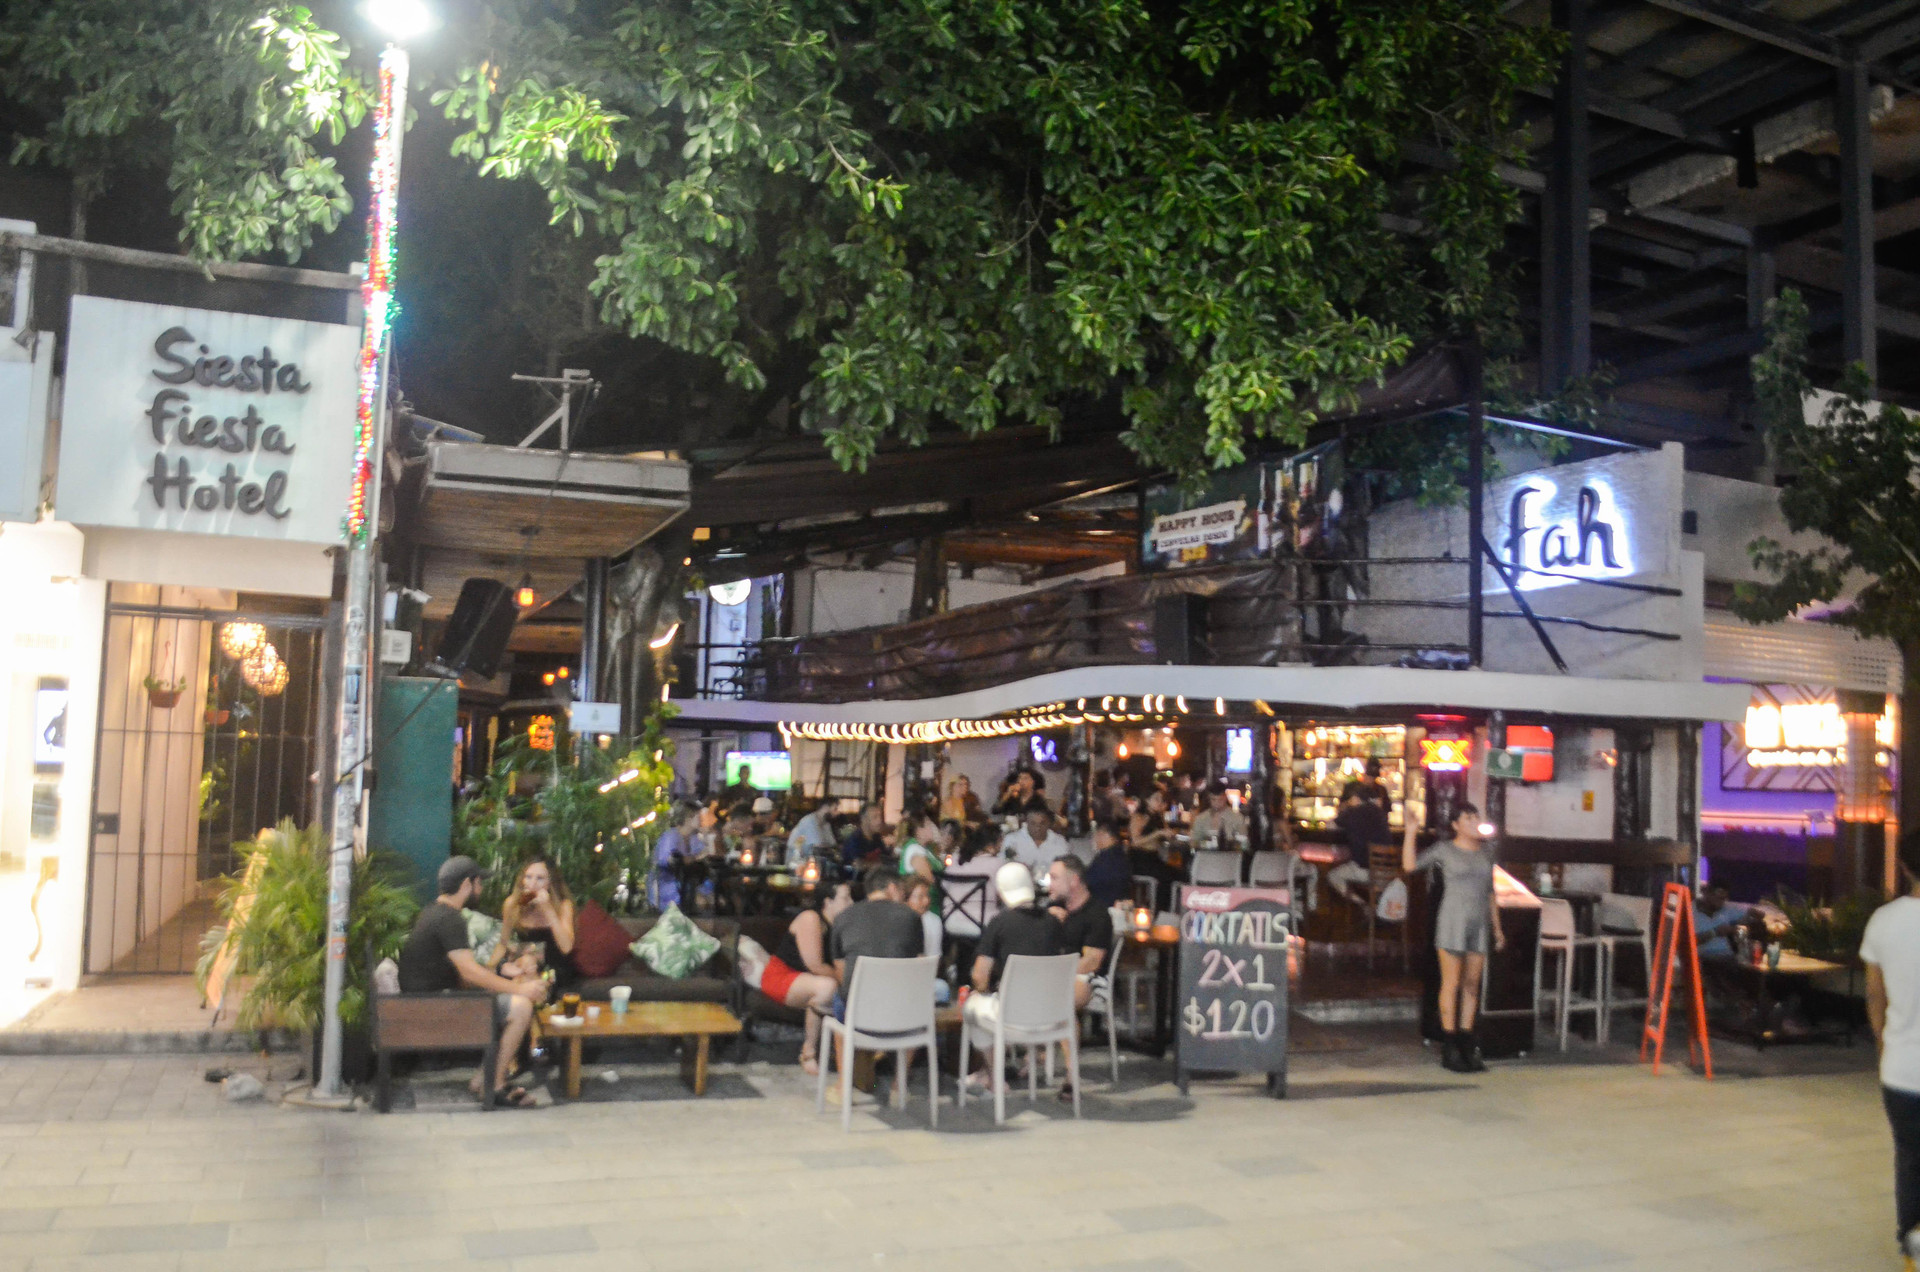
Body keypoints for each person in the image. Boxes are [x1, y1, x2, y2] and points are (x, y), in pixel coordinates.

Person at [397, 856, 548, 1107]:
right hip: (434, 1007)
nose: (481, 888)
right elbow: (470, 973)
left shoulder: (434, 912)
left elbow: (465, 969)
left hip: (426, 1001)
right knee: (521, 1007)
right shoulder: (450, 919)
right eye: (479, 883)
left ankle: (483, 1079)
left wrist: (500, 970)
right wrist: (521, 988)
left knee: (504, 999)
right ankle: (496, 1085)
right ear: (467, 884)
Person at [1402, 804, 1505, 1073]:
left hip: (1478, 923)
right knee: (1451, 983)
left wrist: (1497, 928)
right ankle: (1449, 1046)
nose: (1475, 822)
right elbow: (1410, 866)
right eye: (1468, 818)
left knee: (1472, 985)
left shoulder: (1486, 852)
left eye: (1476, 817)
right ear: (1456, 825)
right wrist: (1411, 832)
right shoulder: (1444, 850)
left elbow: (1490, 892)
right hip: (1452, 921)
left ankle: (1467, 1042)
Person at [1863, 829, 1920, 1267]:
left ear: (1903, 866)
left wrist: (1884, 1042)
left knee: (1910, 1158)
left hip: (1901, 1069)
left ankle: (1911, 1245)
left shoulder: (1884, 920)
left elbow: (1874, 996)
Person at [961, 862, 1064, 1091]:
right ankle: (1011, 1066)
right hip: (1051, 1017)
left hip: (1011, 1017)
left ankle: (994, 1076)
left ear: (1001, 891)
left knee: (973, 1007)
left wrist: (985, 990)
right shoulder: (1053, 923)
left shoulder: (1000, 923)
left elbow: (979, 977)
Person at [750, 881, 853, 1076]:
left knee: (834, 987)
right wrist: (846, 980)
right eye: (846, 898)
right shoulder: (810, 918)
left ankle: (848, 1053)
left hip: (807, 979)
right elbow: (815, 965)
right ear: (828, 902)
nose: (851, 903)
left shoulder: (840, 925)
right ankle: (809, 1052)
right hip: (782, 976)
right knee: (828, 987)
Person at [828, 866, 926, 1006]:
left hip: (857, 1005)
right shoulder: (910, 916)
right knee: (941, 989)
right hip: (900, 1003)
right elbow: (919, 965)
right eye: (902, 891)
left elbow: (841, 970)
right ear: (892, 888)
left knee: (837, 997)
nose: (903, 897)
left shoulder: (843, 917)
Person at [493, 858, 578, 992]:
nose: (532, 884)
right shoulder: (512, 904)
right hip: (523, 967)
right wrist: (493, 967)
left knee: (529, 983)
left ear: (550, 883)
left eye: (540, 878)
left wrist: (548, 910)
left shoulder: (563, 906)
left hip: (552, 970)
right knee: (517, 977)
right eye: (528, 877)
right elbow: (503, 943)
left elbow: (567, 947)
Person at [1046, 855, 1115, 1010]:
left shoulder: (1097, 914)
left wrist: (1052, 970)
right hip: (1055, 973)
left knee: (1055, 1002)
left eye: (1055, 878)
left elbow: (1092, 962)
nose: (1050, 884)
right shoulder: (1054, 908)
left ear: (1074, 881)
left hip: (1086, 977)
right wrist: (1045, 919)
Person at [1330, 779, 1392, 907]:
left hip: (1365, 871)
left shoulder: (1351, 813)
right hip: (1388, 870)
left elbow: (1330, 826)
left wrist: (1342, 809)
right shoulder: (1378, 811)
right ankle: (1377, 906)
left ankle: (1362, 904)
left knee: (1333, 876)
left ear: (1354, 798)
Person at [650, 801, 704, 909]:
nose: (701, 820)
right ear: (688, 818)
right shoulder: (669, 837)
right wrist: (697, 857)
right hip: (668, 890)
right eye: (698, 817)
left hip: (689, 890)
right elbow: (667, 861)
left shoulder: (695, 839)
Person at [1694, 885, 1757, 959]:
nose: (1721, 902)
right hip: (1704, 956)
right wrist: (1714, 932)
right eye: (1718, 898)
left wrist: (1737, 927)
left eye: (1724, 899)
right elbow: (1689, 942)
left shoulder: (1726, 908)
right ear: (1707, 894)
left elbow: (1754, 912)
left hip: (1727, 955)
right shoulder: (1691, 911)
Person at [1082, 818, 1133, 910]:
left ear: (1103, 835)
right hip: (1117, 906)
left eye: (1096, 835)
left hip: (1101, 907)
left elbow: (1088, 881)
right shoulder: (1121, 855)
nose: (1094, 839)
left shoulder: (1106, 859)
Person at [1003, 808, 1069, 875]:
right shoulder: (1012, 839)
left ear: (1049, 823)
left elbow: (1066, 868)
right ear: (1026, 823)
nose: (1038, 827)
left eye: (1042, 823)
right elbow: (1004, 864)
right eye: (1033, 823)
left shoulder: (1059, 842)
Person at [1189, 780, 1248, 851]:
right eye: (1213, 800)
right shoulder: (1201, 818)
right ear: (1209, 799)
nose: (1216, 803)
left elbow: (1244, 843)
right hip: (1205, 855)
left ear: (1225, 798)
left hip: (1229, 855)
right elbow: (1193, 841)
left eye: (1220, 800)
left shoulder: (1237, 818)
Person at [841, 803, 888, 869]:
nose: (880, 821)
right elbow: (858, 865)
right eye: (875, 817)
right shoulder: (855, 839)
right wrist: (878, 865)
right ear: (864, 819)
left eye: (880, 817)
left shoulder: (876, 837)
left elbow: (886, 857)